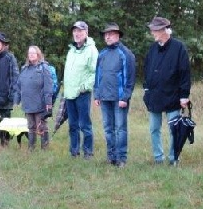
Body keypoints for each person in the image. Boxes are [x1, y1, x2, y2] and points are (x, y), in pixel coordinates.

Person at [142, 16, 191, 166]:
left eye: (155, 30)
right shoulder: (152, 49)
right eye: (152, 30)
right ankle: (158, 158)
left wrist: (184, 96)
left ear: (164, 30)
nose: (152, 33)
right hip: (154, 96)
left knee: (173, 129)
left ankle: (173, 158)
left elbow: (185, 73)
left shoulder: (179, 48)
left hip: (173, 96)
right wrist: (146, 88)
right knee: (154, 128)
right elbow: (147, 69)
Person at [93, 23, 136, 167]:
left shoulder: (126, 54)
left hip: (119, 99)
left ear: (117, 35)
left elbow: (130, 79)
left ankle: (121, 158)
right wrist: (97, 94)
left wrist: (125, 97)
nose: (107, 36)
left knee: (120, 128)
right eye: (106, 34)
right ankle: (111, 157)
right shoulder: (102, 54)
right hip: (104, 98)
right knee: (108, 128)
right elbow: (98, 76)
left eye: (110, 34)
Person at [63, 20, 98, 158]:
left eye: (80, 31)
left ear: (86, 33)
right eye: (75, 31)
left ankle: (88, 152)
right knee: (72, 125)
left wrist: (85, 87)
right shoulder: (71, 50)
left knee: (85, 125)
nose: (77, 34)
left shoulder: (92, 50)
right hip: (69, 93)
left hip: (82, 93)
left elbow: (95, 72)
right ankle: (74, 151)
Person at [16, 45, 54, 151]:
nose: (31, 55)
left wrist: (48, 102)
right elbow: (18, 85)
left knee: (42, 126)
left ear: (38, 54)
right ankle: (31, 148)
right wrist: (17, 100)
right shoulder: (24, 68)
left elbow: (48, 86)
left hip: (40, 103)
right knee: (30, 127)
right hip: (27, 103)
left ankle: (44, 149)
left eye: (33, 53)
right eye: (29, 53)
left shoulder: (44, 68)